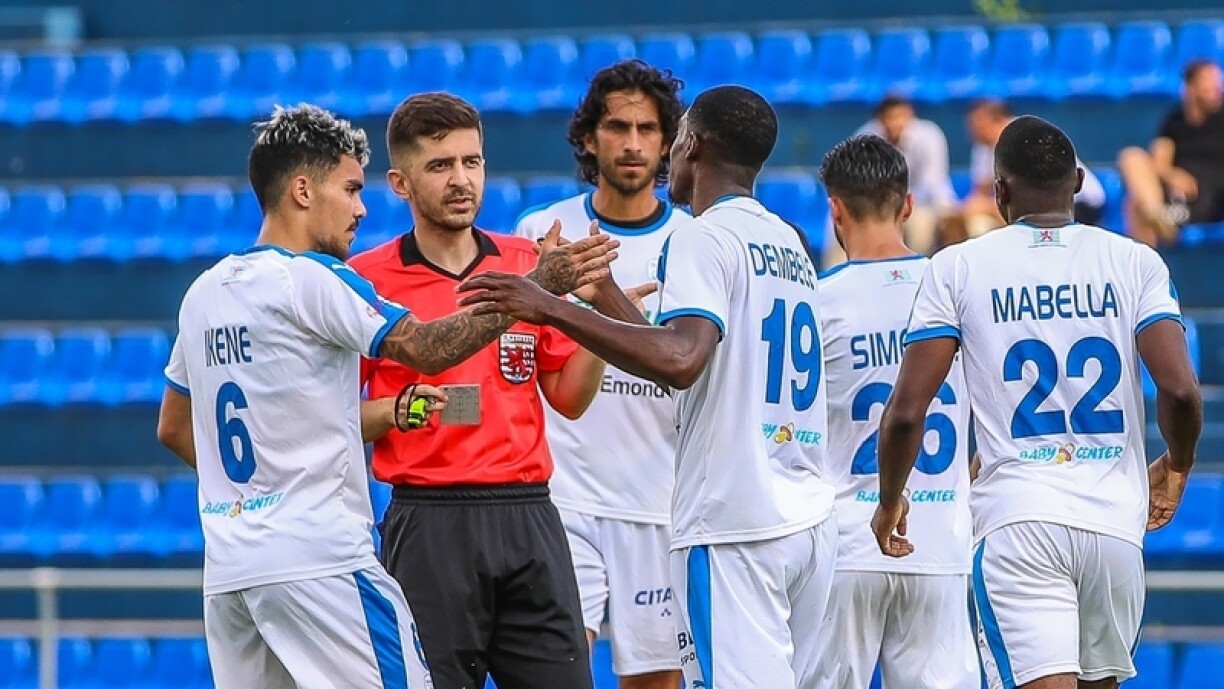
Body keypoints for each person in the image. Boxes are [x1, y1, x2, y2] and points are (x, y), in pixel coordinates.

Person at [154, 104, 615, 689]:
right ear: (303, 190)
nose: (361, 207)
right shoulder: (322, 279)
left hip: (232, 563)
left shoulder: (204, 292)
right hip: (333, 550)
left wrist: (262, 492)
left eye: (472, 162)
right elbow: (426, 348)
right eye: (350, 189)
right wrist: (538, 289)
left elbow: (174, 427)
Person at [456, 85, 838, 689]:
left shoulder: (700, 235)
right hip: (803, 517)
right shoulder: (786, 241)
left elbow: (680, 360)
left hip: (733, 520)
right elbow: (699, 363)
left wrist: (547, 307)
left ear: (691, 145)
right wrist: (601, 293)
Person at [871, 116, 1203, 689]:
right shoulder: (1135, 262)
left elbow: (906, 412)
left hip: (1019, 518)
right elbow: (1179, 389)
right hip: (1113, 526)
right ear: (1078, 182)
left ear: (1000, 191)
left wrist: (889, 499)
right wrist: (1178, 465)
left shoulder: (957, 266)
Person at [349, 92, 642, 689]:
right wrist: (399, 411)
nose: (461, 179)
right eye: (440, 165)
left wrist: (595, 329)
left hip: (529, 513)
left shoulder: (528, 264)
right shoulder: (364, 281)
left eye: (472, 162)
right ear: (400, 184)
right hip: (429, 522)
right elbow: (334, 418)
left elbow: (569, 398)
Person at [513, 59, 692, 689]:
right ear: (589, 138)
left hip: (660, 501)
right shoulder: (542, 232)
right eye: (618, 127)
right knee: (556, 673)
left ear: (668, 143)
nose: (633, 143)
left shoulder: (695, 241)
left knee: (655, 683)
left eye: (648, 129)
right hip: (564, 500)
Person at [810, 134, 978, 689]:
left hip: (845, 542)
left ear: (835, 210)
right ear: (907, 205)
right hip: (939, 542)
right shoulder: (954, 292)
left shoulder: (816, 300)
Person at [947, 100, 1106, 244]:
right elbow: (980, 192)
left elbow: (1035, 193)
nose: (973, 130)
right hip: (1039, 205)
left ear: (997, 120)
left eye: (978, 123)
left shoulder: (1025, 138)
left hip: (1077, 202)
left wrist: (985, 208)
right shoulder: (982, 147)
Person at [1117, 60, 1224, 246]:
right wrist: (1174, 176)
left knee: (1136, 208)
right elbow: (1160, 162)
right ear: (1191, 87)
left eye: (1218, 83)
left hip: (1207, 200)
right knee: (1131, 156)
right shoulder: (1175, 121)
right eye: (1209, 83)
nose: (1217, 88)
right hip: (1175, 195)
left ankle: (1155, 224)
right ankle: (1155, 213)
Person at [850, 95, 957, 257]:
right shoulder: (865, 139)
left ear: (910, 115)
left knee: (920, 223)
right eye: (890, 117)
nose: (895, 123)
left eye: (900, 116)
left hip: (927, 203)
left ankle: (918, 269)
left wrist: (902, 205)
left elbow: (932, 184)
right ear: (880, 119)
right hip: (881, 206)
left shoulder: (929, 135)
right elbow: (862, 184)